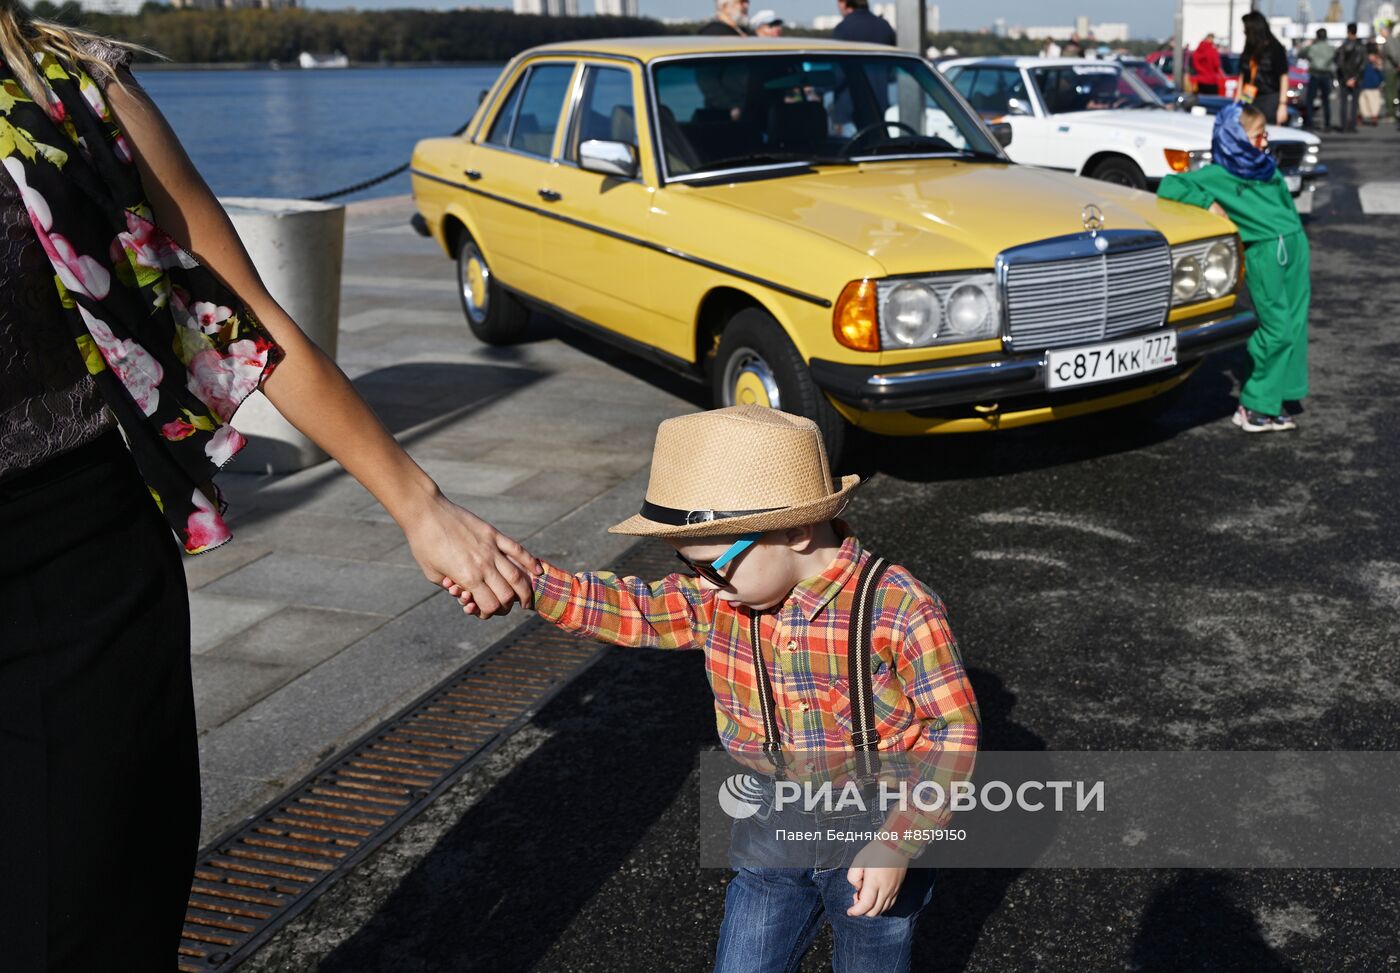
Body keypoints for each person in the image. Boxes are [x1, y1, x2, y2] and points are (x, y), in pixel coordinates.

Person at [0, 6, 538, 969]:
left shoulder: (75, 91)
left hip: (68, 582)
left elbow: (246, 319)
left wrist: (419, 502)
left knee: (83, 922)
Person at [449, 405, 981, 971]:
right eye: (690, 566)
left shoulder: (899, 608)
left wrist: (900, 841)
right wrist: (528, 583)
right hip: (773, 824)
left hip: (881, 817)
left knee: (872, 957)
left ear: (797, 531)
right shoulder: (719, 600)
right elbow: (636, 609)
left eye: (711, 565)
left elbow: (953, 732)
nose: (704, 584)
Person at [1158, 104, 1310, 434]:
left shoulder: (1265, 168)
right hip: (1264, 253)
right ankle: (1253, 404)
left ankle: (1276, 399)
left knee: (1295, 326)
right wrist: (1207, 203)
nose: (1264, 143)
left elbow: (1284, 204)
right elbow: (1169, 185)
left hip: (1294, 247)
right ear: (1235, 138)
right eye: (1258, 137)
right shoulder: (1219, 174)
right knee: (1276, 327)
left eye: (1265, 136)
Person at [1239, 10, 1290, 125]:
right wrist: (1237, 101)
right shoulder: (1248, 49)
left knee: (1266, 132)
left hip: (1269, 98)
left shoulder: (1275, 48)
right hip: (1249, 97)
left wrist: (1282, 105)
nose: (1244, 32)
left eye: (1246, 29)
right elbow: (1242, 75)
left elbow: (1284, 76)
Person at [1334, 22, 1368, 132]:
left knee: (1343, 102)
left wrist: (1346, 78)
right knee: (1354, 103)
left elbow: (1340, 63)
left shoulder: (1343, 47)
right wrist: (1355, 78)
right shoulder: (1361, 47)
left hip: (1344, 79)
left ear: (1348, 31)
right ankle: (1352, 126)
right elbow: (1363, 64)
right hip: (1356, 78)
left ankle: (1343, 126)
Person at [1302, 27, 1335, 130]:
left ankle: (1310, 123)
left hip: (1315, 74)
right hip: (1326, 75)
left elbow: (1301, 53)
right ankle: (1327, 124)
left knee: (1310, 100)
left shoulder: (1313, 47)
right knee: (1326, 101)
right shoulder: (1330, 48)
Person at [1359, 50, 1386, 123]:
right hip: (1365, 87)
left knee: (1375, 103)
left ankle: (1374, 117)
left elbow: (1382, 77)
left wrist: (1379, 68)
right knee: (1363, 103)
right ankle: (1361, 116)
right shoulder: (1364, 65)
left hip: (1375, 87)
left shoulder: (1378, 66)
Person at [1383, 22, 1400, 121]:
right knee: (1396, 90)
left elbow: (1393, 54)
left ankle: (1391, 112)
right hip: (1395, 67)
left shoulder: (1388, 41)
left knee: (1390, 91)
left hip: (1391, 68)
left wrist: (1397, 63)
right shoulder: (1396, 40)